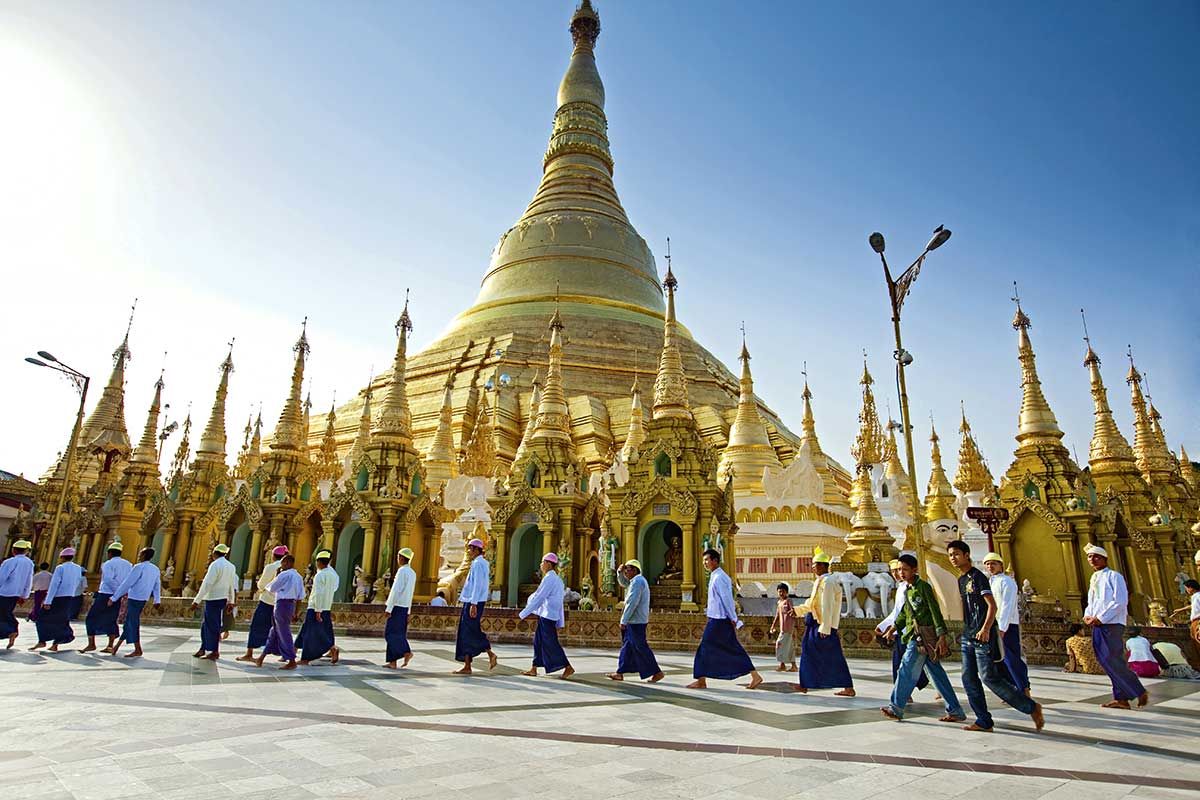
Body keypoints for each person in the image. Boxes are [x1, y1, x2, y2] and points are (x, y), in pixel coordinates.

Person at [946, 539, 1044, 732]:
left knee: (989, 677)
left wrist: (986, 629)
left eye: (957, 554)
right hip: (968, 635)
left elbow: (993, 605)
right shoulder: (961, 580)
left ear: (967, 555)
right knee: (968, 679)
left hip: (983, 635)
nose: (953, 558)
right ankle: (983, 721)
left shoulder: (979, 577)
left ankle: (1031, 707)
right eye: (950, 555)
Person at [880, 554, 965, 722]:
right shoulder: (908, 589)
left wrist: (941, 635)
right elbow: (905, 613)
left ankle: (896, 707)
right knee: (936, 675)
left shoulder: (923, 587)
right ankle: (955, 709)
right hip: (913, 634)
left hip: (922, 638)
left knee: (905, 670)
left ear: (914, 570)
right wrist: (892, 628)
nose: (901, 573)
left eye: (905, 569)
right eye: (899, 570)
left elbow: (935, 611)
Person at [1082, 543, 1148, 709]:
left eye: (1096, 557)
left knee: (1111, 659)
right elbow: (1093, 601)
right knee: (1106, 660)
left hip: (1111, 623)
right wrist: (1088, 615)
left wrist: (1101, 618)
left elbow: (1119, 601)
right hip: (1098, 623)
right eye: (1090, 557)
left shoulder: (1114, 576)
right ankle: (1121, 698)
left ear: (1104, 558)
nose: (1093, 560)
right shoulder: (1094, 578)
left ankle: (1138, 691)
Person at [687, 548, 763, 690]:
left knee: (705, 648)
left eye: (707, 560)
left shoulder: (720, 577)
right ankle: (754, 675)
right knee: (731, 648)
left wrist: (734, 618)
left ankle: (701, 680)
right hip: (716, 619)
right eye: (703, 560)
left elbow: (727, 600)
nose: (705, 563)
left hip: (719, 620)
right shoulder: (715, 576)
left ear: (715, 561)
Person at [793, 548, 854, 696]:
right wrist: (797, 610)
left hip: (823, 626)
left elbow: (827, 606)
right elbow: (812, 602)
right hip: (816, 623)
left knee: (833, 656)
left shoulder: (828, 582)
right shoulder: (819, 581)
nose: (812, 567)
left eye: (814, 565)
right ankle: (805, 683)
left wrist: (825, 628)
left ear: (821, 565)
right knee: (810, 653)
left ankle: (848, 687)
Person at [518, 552, 574, 679]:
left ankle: (567, 666)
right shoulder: (557, 579)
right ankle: (534, 667)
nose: (541, 565)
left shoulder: (549, 579)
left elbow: (539, 597)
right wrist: (560, 621)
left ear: (548, 563)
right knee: (538, 641)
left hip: (547, 616)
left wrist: (524, 613)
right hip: (548, 615)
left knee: (550, 643)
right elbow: (559, 602)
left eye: (542, 562)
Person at [982, 552, 1031, 697]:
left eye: (993, 564)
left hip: (1007, 625)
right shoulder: (990, 582)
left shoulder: (1007, 581)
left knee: (1011, 658)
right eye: (988, 564)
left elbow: (1007, 605)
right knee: (999, 659)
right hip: (994, 625)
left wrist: (1002, 628)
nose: (990, 567)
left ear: (1001, 566)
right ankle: (1011, 688)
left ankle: (1023, 688)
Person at [877, 559, 928, 691]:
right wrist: (884, 626)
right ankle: (901, 695)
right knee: (902, 663)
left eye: (901, 570)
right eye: (895, 571)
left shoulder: (918, 587)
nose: (898, 573)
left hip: (913, 631)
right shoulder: (901, 588)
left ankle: (901, 694)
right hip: (902, 630)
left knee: (914, 664)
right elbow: (898, 611)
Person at [607, 559, 663, 682]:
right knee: (627, 647)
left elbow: (632, 602)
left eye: (629, 569)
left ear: (635, 570)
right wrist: (619, 573)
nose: (627, 571)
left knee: (640, 646)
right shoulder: (635, 581)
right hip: (636, 620)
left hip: (636, 621)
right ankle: (620, 672)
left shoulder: (638, 581)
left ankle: (656, 671)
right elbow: (623, 583)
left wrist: (624, 619)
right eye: (626, 569)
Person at [237, 544, 289, 664]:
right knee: (278, 628)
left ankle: (249, 653)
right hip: (280, 603)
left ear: (273, 555)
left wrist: (261, 589)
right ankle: (283, 653)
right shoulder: (289, 569)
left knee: (257, 626)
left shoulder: (270, 567)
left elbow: (261, 584)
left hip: (266, 601)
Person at [453, 538, 498, 674]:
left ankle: (490, 653)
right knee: (467, 632)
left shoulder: (478, 563)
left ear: (477, 550)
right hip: (475, 600)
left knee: (470, 631)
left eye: (471, 548)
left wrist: (473, 604)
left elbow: (478, 584)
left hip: (474, 602)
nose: (469, 551)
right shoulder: (482, 563)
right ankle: (468, 665)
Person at [107, 547, 162, 658]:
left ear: (144, 555)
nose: (139, 555)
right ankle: (116, 647)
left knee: (133, 622)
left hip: (135, 597)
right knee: (129, 623)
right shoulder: (155, 569)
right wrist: (157, 600)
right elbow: (157, 585)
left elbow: (127, 584)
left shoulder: (138, 567)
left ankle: (138, 649)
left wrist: (114, 598)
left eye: (141, 553)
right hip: (143, 598)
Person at [81, 542, 132, 654]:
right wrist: (120, 593)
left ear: (109, 553)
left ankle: (91, 644)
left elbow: (108, 580)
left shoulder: (108, 564)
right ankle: (110, 645)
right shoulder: (128, 564)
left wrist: (114, 594)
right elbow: (128, 580)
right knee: (112, 619)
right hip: (118, 595)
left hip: (106, 594)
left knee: (91, 617)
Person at [191, 543, 238, 660]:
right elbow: (232, 585)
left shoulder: (215, 565)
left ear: (214, 553)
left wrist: (197, 600)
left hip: (212, 598)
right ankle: (203, 647)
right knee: (206, 624)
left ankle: (214, 650)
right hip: (222, 598)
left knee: (212, 625)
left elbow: (207, 583)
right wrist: (231, 600)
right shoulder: (231, 566)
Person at [257, 553, 304, 670]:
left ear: (288, 563)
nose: (281, 565)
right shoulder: (298, 576)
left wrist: (277, 575)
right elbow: (300, 597)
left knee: (283, 631)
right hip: (290, 605)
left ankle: (291, 660)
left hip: (282, 604)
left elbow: (271, 588)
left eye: (283, 562)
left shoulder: (284, 574)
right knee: (275, 630)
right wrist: (295, 612)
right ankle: (262, 656)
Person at [32, 548, 84, 651]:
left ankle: (42, 640)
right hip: (69, 597)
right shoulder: (78, 568)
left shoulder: (60, 568)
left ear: (62, 557)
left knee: (41, 617)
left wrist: (48, 601)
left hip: (58, 597)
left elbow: (54, 585)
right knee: (61, 620)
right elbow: (78, 581)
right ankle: (56, 643)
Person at [296, 550, 340, 665]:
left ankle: (305, 658)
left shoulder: (320, 575)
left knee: (311, 633)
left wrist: (318, 610)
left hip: (316, 607)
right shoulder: (332, 574)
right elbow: (334, 588)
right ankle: (331, 648)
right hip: (326, 607)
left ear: (319, 562)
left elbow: (318, 593)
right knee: (323, 630)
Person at [383, 548, 416, 669]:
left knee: (390, 634)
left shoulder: (402, 571)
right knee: (399, 633)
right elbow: (410, 593)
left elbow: (396, 590)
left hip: (397, 606)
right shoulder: (412, 573)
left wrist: (389, 608)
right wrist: (408, 611)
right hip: (405, 607)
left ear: (401, 558)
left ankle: (406, 651)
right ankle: (392, 662)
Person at [0, 539, 34, 649]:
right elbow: (29, 580)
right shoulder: (29, 563)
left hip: (4, 592)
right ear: (26, 551)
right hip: (16, 593)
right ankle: (11, 630)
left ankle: (12, 629)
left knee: (4, 613)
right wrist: (24, 595)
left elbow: (1, 577)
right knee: (6, 612)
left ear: (13, 550)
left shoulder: (10, 562)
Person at [769, 583, 798, 672]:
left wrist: (795, 627)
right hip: (783, 628)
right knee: (789, 647)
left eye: (783, 591)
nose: (781, 593)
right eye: (779, 592)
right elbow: (777, 615)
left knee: (779, 644)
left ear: (787, 592)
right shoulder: (779, 602)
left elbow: (793, 613)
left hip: (788, 628)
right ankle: (790, 666)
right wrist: (773, 625)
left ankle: (783, 665)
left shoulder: (788, 601)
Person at [1185, 579, 1200, 647]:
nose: (1186, 590)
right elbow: (1194, 606)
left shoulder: (1197, 596)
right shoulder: (1195, 596)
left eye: (1187, 588)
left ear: (1191, 588)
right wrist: (1180, 610)